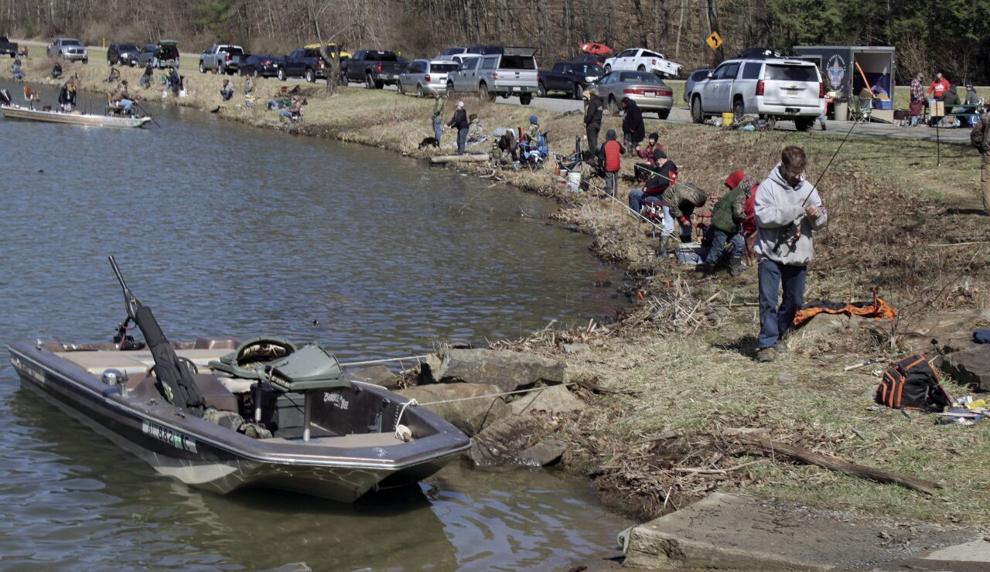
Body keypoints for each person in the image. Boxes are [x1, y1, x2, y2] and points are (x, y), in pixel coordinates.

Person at [754, 145, 827, 363]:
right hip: (770, 253)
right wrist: (795, 211)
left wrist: (816, 216)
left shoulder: (809, 189)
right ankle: (766, 343)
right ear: (784, 166)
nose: (797, 177)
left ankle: (777, 334)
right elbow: (762, 217)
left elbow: (822, 219)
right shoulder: (768, 187)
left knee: (794, 301)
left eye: (800, 172)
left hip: (798, 255)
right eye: (793, 172)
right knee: (768, 300)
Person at [704, 170, 753, 276]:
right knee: (718, 248)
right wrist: (745, 218)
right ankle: (708, 271)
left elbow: (718, 205)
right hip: (723, 226)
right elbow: (737, 213)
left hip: (729, 226)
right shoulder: (740, 195)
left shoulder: (734, 192)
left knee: (739, 243)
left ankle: (735, 267)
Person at [628, 148, 677, 214]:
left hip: (658, 197)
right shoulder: (663, 167)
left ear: (660, 159)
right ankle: (639, 214)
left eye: (656, 161)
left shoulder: (667, 168)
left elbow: (663, 184)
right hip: (654, 194)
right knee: (634, 192)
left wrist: (648, 190)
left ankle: (636, 215)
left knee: (635, 194)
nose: (656, 163)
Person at [970, 109, 990, 214]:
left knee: (987, 179)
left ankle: (989, 207)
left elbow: (975, 134)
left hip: (988, 152)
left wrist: (981, 148)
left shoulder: (985, 118)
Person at [598, 129, 624, 197]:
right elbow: (623, 151)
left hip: (608, 166)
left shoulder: (605, 144)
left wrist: (600, 165)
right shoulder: (617, 143)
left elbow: (600, 157)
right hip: (616, 166)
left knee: (608, 180)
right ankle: (615, 195)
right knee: (615, 181)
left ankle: (608, 195)